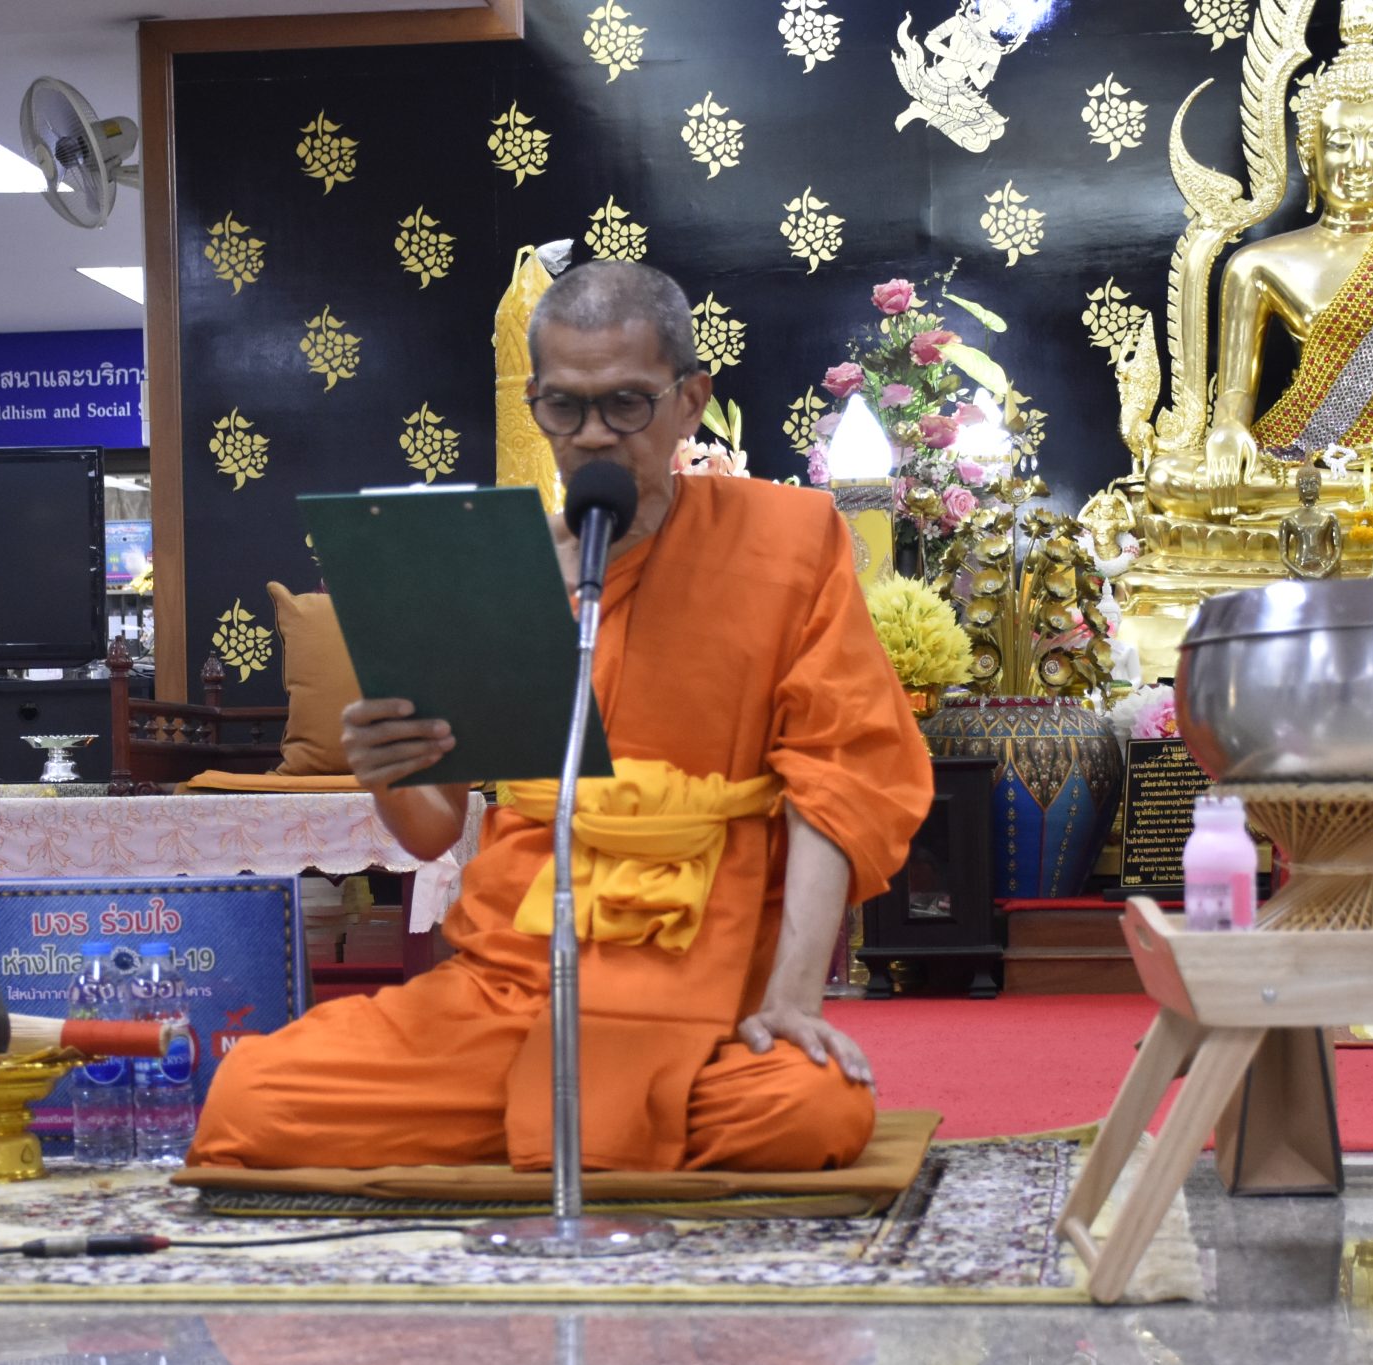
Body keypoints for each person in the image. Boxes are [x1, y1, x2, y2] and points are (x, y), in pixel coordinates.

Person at [190, 260, 934, 1175]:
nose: (592, 436)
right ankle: (570, 1118)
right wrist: (387, 773)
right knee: (254, 1098)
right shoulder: (490, 571)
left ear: (689, 401)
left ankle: (545, 1123)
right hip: (516, 982)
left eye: (625, 404)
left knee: (805, 1110)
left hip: (703, 982)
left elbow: (841, 782)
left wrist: (790, 1000)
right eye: (564, 408)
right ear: (534, 402)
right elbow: (433, 831)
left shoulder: (789, 541)